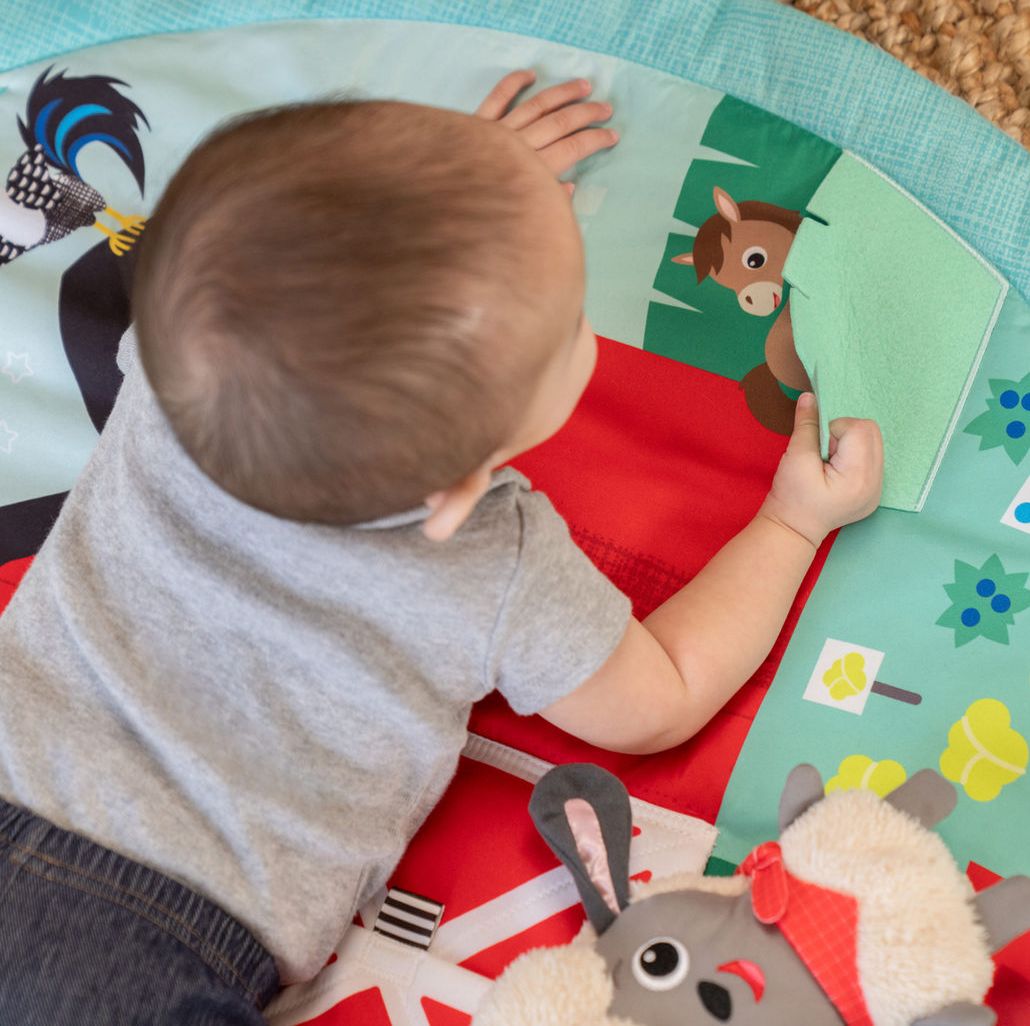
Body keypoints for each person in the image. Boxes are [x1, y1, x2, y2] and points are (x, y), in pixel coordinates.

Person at [0, 70, 883, 1024]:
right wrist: (791, 522)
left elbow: (300, 279)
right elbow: (661, 696)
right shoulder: (489, 557)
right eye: (568, 325)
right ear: (458, 494)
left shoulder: (169, 366)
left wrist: (446, 195)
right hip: (148, 939)